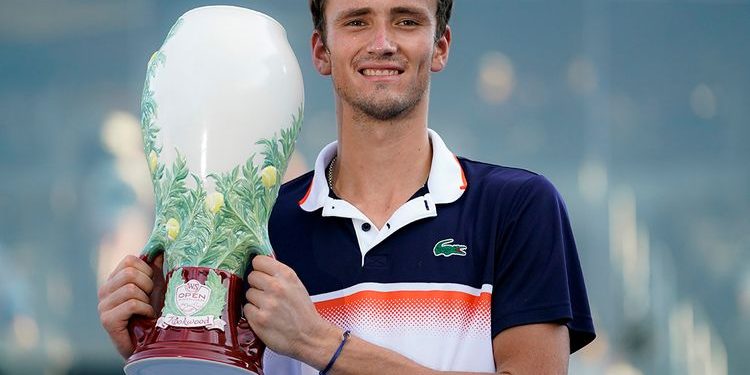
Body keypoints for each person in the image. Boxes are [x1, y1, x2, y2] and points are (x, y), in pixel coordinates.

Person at [98, 0, 596, 373]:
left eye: (406, 19)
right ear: (321, 50)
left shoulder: (517, 207)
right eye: (357, 20)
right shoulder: (259, 227)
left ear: (440, 45)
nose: (382, 42)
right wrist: (158, 349)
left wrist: (320, 343)